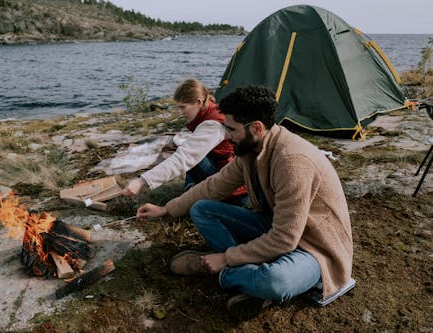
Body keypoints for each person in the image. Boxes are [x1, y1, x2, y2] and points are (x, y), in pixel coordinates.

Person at [136, 86, 354, 321]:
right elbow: (213, 186)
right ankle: (248, 277)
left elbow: (285, 239)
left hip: (315, 247)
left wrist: (226, 258)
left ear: (256, 127)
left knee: (275, 280)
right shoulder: (251, 149)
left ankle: (224, 273)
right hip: (276, 229)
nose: (227, 136)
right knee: (201, 209)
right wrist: (167, 209)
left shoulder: (292, 162)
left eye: (231, 129)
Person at [121, 78, 247, 204]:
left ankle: (195, 195)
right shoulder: (212, 112)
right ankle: (192, 190)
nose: (181, 113)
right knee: (186, 147)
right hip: (228, 172)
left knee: (188, 154)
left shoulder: (213, 125)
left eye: (183, 107)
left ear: (198, 102)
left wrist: (141, 182)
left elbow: (184, 158)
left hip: (232, 187)